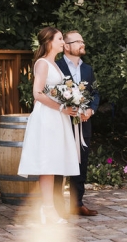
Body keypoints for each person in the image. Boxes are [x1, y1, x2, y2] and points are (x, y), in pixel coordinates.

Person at [18, 27, 80, 224]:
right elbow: (37, 93)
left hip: (56, 117)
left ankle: (48, 210)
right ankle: (47, 211)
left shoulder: (54, 64)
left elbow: (54, 91)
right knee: (47, 163)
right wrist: (61, 108)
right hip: (48, 117)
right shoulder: (43, 63)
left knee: (53, 163)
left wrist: (71, 101)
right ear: (49, 42)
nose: (63, 42)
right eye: (60, 39)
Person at [53, 31, 101, 217]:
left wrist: (91, 110)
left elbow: (95, 93)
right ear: (66, 46)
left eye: (83, 40)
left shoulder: (88, 69)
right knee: (59, 166)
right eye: (78, 41)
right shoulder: (55, 67)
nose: (83, 43)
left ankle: (77, 204)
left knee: (81, 164)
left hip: (84, 124)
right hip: (62, 124)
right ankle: (57, 208)